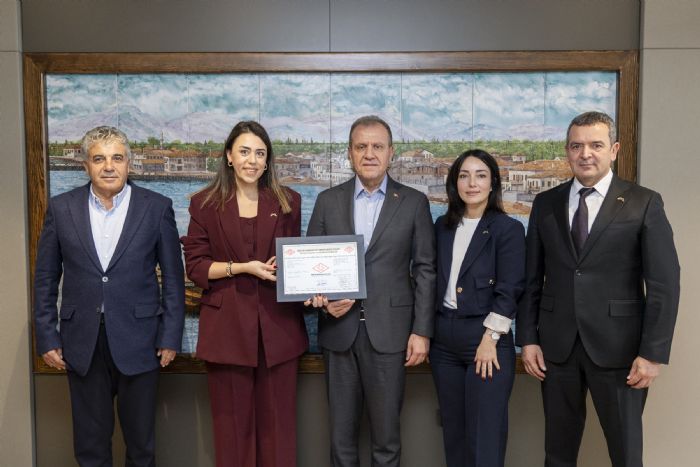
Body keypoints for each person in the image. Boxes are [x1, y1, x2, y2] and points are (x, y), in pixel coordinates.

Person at [516, 111, 681, 467]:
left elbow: (664, 284)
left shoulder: (643, 202)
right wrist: (528, 338)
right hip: (557, 348)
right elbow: (531, 278)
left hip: (621, 350)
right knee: (557, 454)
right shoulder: (546, 204)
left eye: (595, 145)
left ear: (614, 150)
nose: (585, 153)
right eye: (576, 146)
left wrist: (652, 353)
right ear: (567, 151)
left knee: (625, 453)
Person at [33, 126, 185, 467]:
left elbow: (174, 279)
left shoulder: (156, 207)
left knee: (141, 448)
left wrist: (170, 336)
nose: (108, 166)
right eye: (99, 159)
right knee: (90, 449)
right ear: (86, 165)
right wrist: (46, 336)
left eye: (117, 158)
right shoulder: (61, 208)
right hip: (82, 342)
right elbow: (45, 279)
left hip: (141, 341)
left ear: (129, 163)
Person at [306, 115, 436, 467]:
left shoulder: (413, 202)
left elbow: (425, 269)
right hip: (339, 334)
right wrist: (322, 303)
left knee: (387, 441)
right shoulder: (327, 201)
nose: (369, 154)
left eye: (377, 146)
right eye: (361, 146)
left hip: (391, 335)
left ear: (391, 153)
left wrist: (422, 331)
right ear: (349, 153)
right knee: (341, 442)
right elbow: (311, 268)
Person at [181, 121, 308, 467]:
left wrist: (294, 272)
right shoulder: (203, 204)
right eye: (245, 151)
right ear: (229, 156)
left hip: (279, 332)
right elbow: (196, 267)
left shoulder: (289, 201)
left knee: (279, 435)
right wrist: (242, 267)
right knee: (233, 436)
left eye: (260, 153)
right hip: (227, 332)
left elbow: (296, 261)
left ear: (268, 161)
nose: (252, 160)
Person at [431, 150, 525, 467]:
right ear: (454, 182)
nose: (472, 183)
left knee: (484, 439)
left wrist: (490, 339)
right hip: (444, 342)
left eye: (481, 175)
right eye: (464, 175)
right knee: (454, 435)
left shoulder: (508, 229)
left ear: (493, 182)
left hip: (485, 341)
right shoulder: (441, 226)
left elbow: (510, 289)